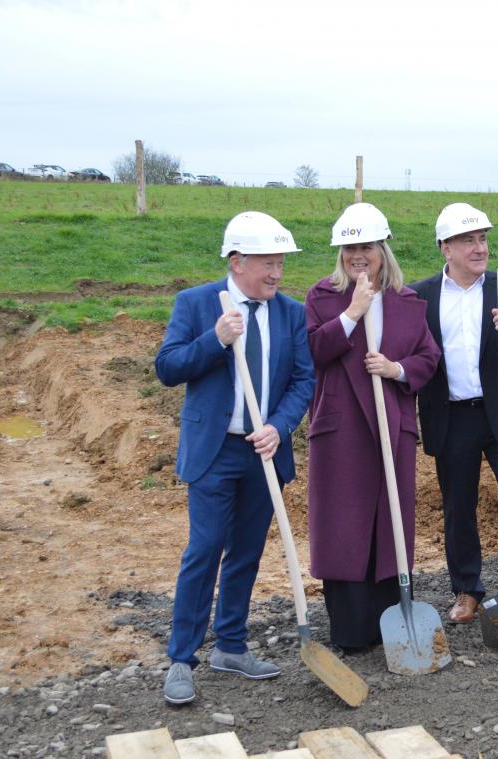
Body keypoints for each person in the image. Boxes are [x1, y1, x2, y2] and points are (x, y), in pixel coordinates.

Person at [155, 211, 315, 704]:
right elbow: (168, 368)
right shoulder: (197, 303)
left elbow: (303, 380)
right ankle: (182, 658)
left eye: (281, 263)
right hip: (215, 449)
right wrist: (216, 339)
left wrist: (279, 427)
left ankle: (230, 646)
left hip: (263, 450)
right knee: (204, 549)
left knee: (246, 551)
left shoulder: (290, 313)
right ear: (237, 261)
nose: (277, 273)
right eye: (268, 263)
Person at [304, 203, 440, 651]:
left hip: (392, 426)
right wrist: (352, 313)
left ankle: (390, 621)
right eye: (349, 248)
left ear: (383, 251)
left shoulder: (407, 302)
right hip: (341, 430)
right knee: (344, 525)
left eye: (366, 247)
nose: (357, 255)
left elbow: (428, 357)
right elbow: (313, 352)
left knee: (389, 521)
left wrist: (395, 369)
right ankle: (351, 629)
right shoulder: (323, 297)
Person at [409, 202, 498, 626]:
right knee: (458, 506)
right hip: (451, 415)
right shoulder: (420, 296)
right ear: (445, 248)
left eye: (482, 238)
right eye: (468, 240)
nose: (479, 247)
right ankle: (467, 589)